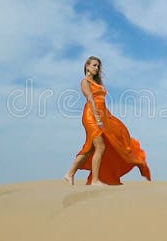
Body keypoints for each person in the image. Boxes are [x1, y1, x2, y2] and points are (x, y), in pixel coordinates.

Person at [63, 56, 152, 186]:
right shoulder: (85, 82)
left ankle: (69, 174)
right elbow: (90, 99)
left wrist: (107, 117)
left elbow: (102, 103)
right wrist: (98, 118)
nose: (96, 68)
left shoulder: (98, 83)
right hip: (91, 116)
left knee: (90, 149)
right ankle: (94, 180)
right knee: (100, 146)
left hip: (102, 115)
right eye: (94, 65)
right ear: (87, 66)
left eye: (98, 66)